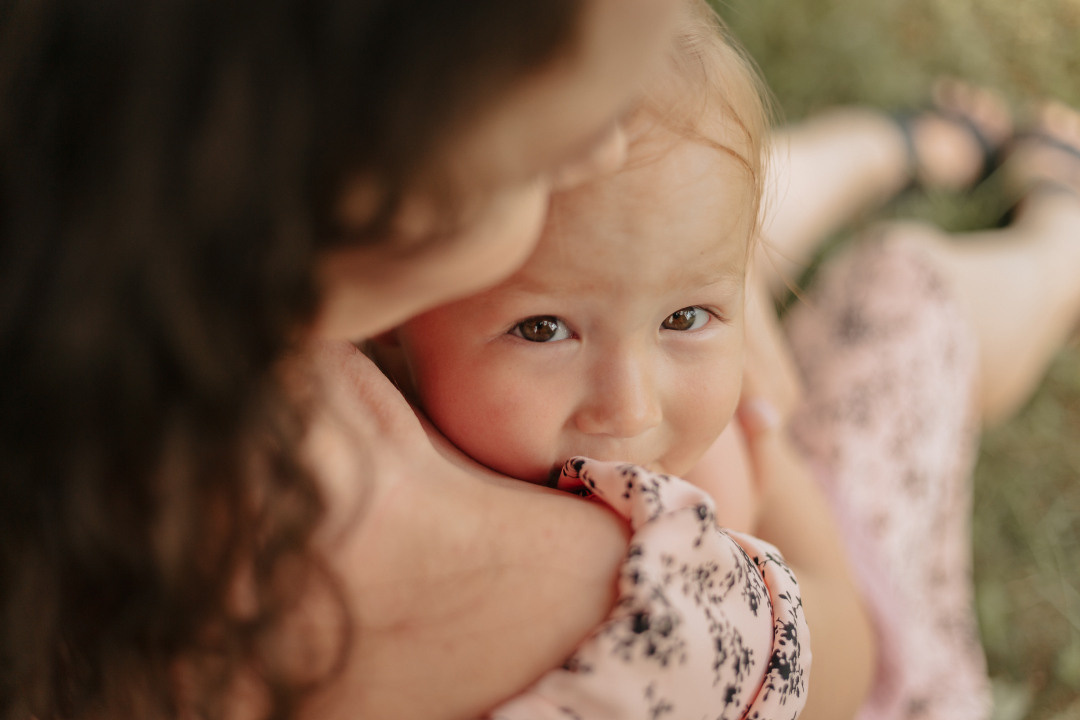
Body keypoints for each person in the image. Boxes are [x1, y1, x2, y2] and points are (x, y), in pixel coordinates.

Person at [0, 1, 714, 718]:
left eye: (686, 317)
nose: (604, 156)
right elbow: (823, 652)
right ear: (385, 182)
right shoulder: (637, 598)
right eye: (562, 145)